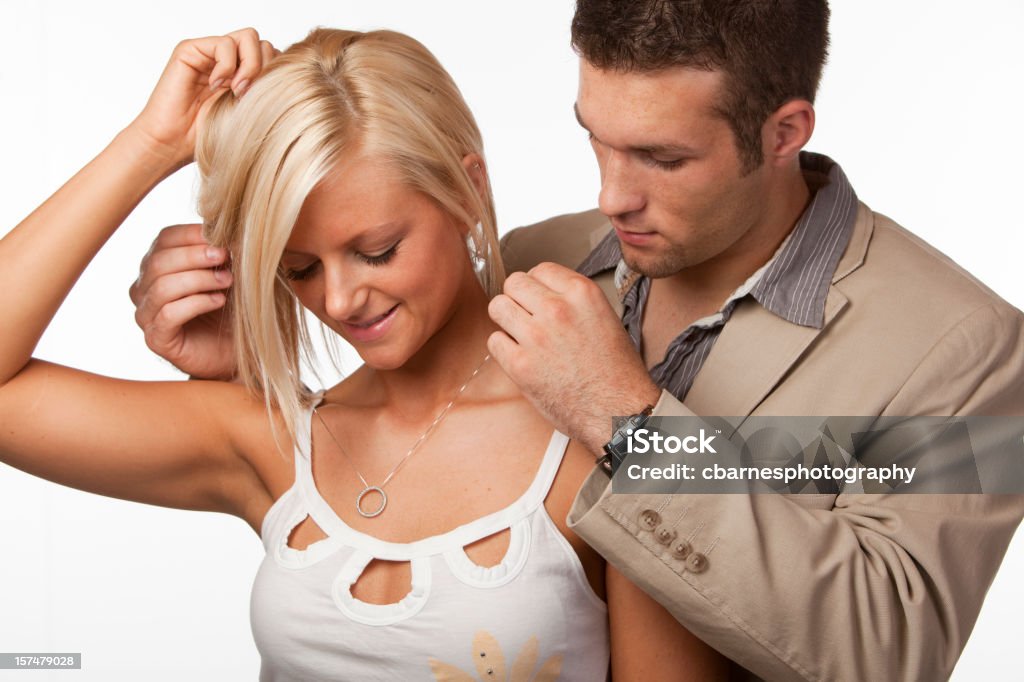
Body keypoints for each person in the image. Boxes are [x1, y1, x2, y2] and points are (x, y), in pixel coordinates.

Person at [129, 2, 1024, 681]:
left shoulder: (963, 350)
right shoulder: (535, 260)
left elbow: (885, 644)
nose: (610, 196)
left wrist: (630, 424)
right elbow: (409, 458)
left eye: (660, 158)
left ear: (782, 133)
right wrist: (257, 358)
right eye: (594, 140)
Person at [0, 26, 731, 681]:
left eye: (376, 251)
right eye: (300, 269)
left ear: (466, 189)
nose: (341, 300)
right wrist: (151, 146)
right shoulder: (279, 440)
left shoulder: (598, 434)